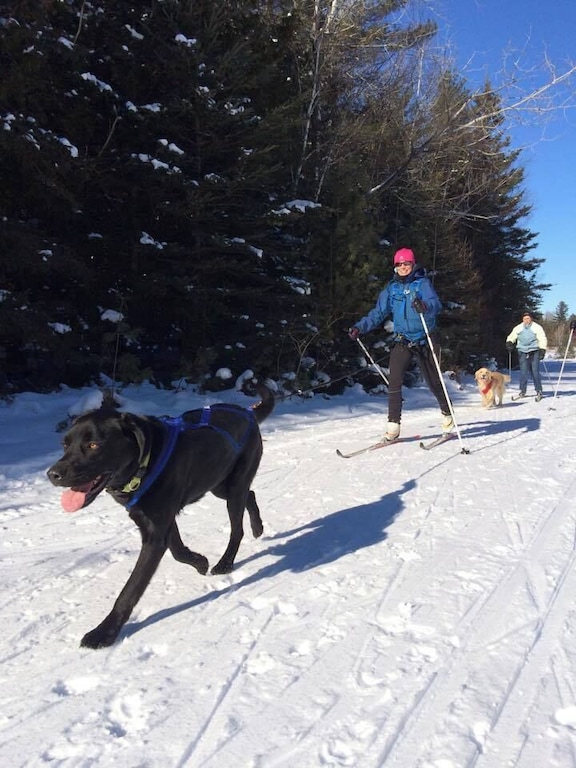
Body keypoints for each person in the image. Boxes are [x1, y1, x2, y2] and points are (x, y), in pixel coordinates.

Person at [348, 247, 453, 442]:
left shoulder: (422, 284)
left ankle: (448, 416)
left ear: (413, 264)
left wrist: (425, 306)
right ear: (395, 266)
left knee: (434, 382)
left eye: (407, 263)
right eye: (400, 264)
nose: (403, 267)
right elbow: (378, 312)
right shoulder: (392, 288)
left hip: (425, 339)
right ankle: (393, 427)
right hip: (403, 340)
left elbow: (435, 304)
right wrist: (360, 327)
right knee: (394, 381)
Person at [505, 311, 548, 401]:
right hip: (522, 351)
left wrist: (542, 349)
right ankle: (522, 391)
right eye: (524, 319)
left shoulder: (537, 327)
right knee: (523, 372)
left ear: (531, 319)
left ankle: (539, 390)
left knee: (535, 372)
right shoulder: (518, 328)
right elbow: (512, 336)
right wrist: (509, 342)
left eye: (528, 318)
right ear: (522, 319)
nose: (526, 320)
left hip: (534, 351)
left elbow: (542, 338)